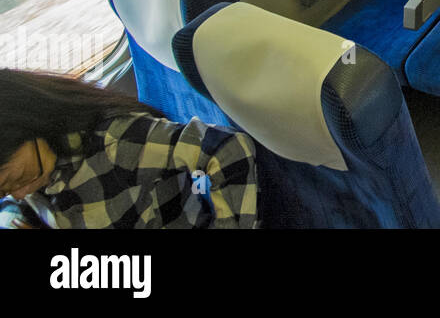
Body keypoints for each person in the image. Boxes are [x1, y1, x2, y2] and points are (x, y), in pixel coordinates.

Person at [0, 70, 257, 228]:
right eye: (6, 190)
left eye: (20, 178)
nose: (21, 193)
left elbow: (226, 147)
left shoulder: (115, 144)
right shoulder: (37, 171)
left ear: (31, 125)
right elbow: (16, 200)